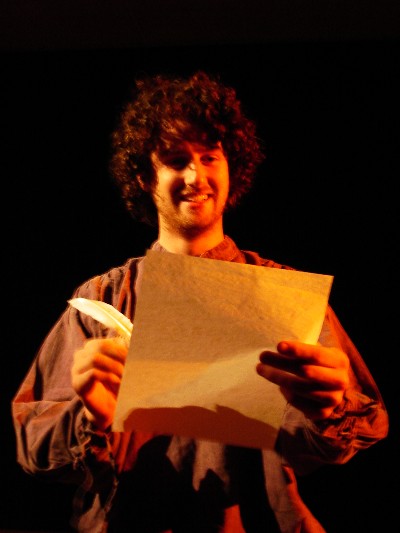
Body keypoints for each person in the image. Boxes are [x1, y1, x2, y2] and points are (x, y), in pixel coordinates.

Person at [12, 70, 389, 533]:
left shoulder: (284, 296)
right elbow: (31, 446)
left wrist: (328, 407)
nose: (196, 176)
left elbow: (357, 427)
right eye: (176, 160)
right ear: (145, 176)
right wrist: (90, 415)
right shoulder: (101, 298)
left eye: (210, 157)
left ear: (232, 168)